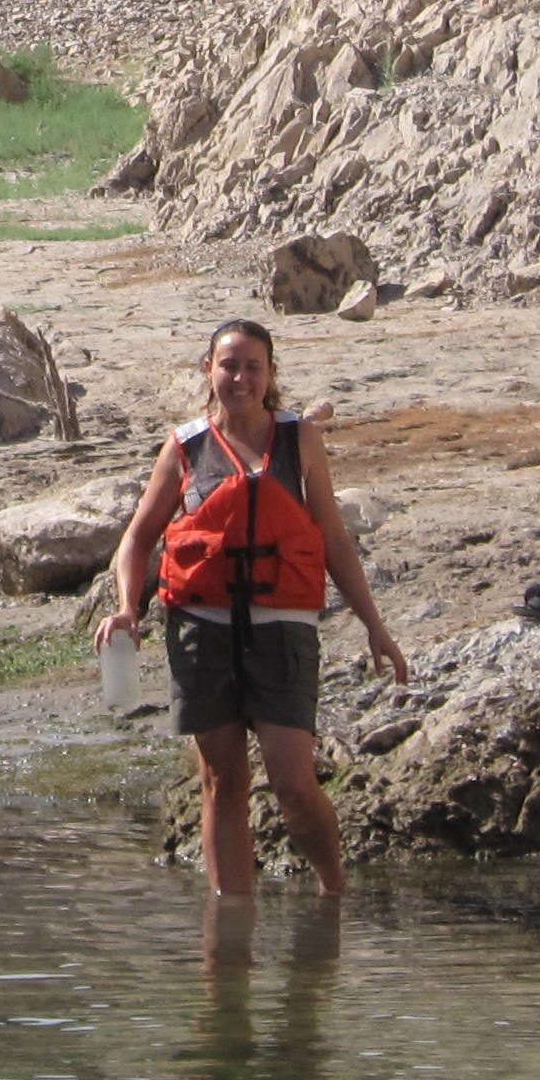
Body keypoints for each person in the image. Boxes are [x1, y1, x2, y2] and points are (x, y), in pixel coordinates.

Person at [96, 317, 409, 900]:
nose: (240, 377)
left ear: (269, 374)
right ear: (208, 370)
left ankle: (332, 895)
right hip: (201, 631)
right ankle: (230, 924)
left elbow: (334, 540)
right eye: (228, 365)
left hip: (282, 627)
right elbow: (138, 540)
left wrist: (375, 626)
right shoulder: (185, 446)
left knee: (292, 781)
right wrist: (126, 609)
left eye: (252, 367)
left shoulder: (299, 439)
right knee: (222, 781)